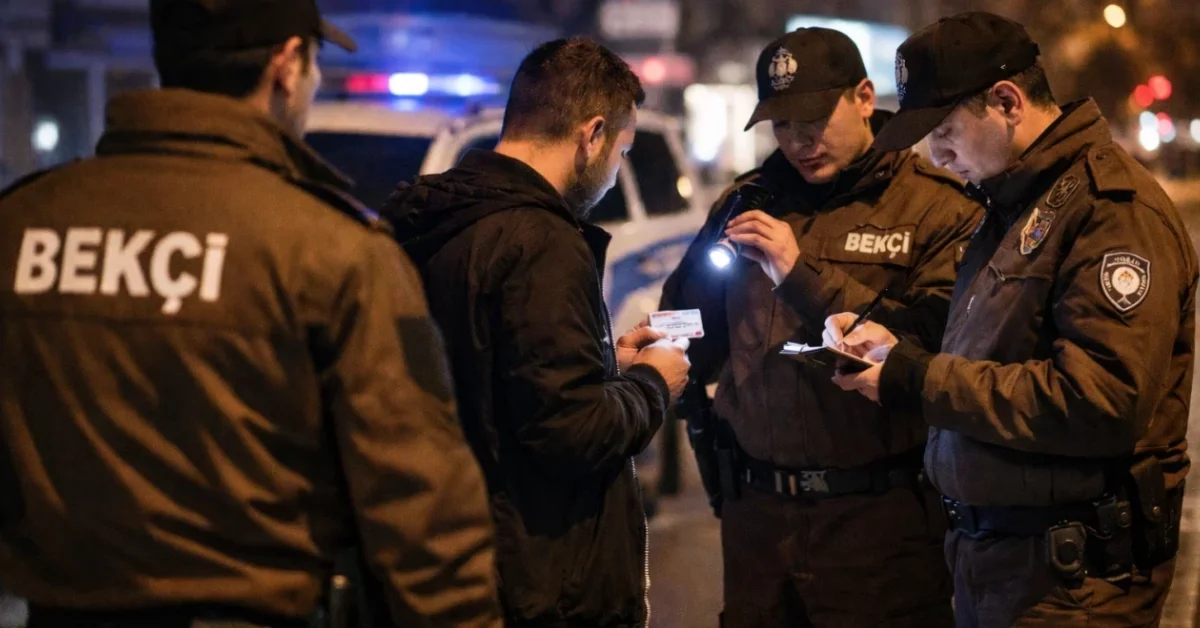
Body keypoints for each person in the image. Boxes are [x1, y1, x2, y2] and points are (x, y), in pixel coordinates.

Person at [0, 1, 502, 626]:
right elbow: (425, 517)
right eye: (314, 65)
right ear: (286, 65)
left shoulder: (20, 226)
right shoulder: (335, 252)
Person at [830, 12, 1197, 628]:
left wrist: (918, 378)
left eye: (944, 131)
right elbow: (999, 346)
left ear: (1007, 102)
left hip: (1073, 586)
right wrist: (899, 345)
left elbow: (1101, 400)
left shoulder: (1110, 211)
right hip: (1006, 566)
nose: (937, 155)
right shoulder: (1017, 202)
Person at [658, 27, 983, 628]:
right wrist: (653, 348)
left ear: (864, 97)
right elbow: (692, 328)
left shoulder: (936, 207)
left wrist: (798, 273)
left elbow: (939, 347)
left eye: (813, 119)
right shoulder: (746, 202)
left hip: (880, 527)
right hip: (758, 524)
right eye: (781, 124)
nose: (798, 141)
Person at [380, 39, 691, 628]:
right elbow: (569, 430)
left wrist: (607, 367)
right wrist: (653, 383)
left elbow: (498, 380)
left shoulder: (431, 221)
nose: (614, 174)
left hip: (448, 559)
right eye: (622, 152)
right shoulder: (542, 242)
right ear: (592, 135)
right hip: (538, 582)